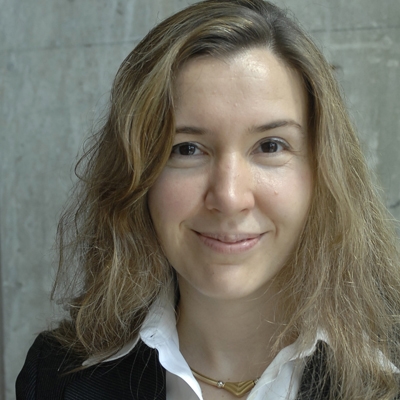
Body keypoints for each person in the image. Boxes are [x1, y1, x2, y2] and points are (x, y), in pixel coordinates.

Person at [16, 0, 400, 399]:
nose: (229, 197)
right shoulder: (54, 376)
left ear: (324, 170)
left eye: (270, 146)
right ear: (136, 177)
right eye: (186, 149)